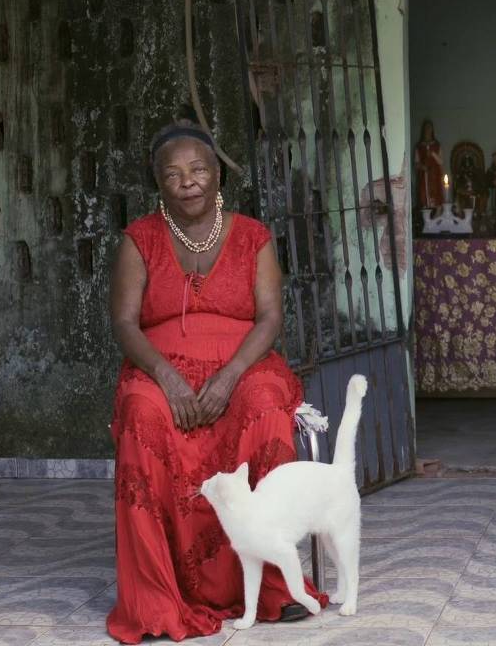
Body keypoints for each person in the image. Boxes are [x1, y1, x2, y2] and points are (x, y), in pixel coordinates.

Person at [107, 119, 327, 644]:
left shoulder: (253, 235)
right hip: (164, 372)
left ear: (217, 175)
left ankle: (277, 586)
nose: (188, 181)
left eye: (199, 169)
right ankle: (157, 599)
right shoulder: (139, 240)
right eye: (174, 173)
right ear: (158, 182)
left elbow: (271, 318)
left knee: (266, 405)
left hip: (242, 366)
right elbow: (123, 323)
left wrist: (230, 377)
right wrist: (166, 376)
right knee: (141, 413)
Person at [414, 119, 444, 210]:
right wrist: (422, 167)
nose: (428, 130)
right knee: (424, 197)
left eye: (429, 128)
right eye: (426, 128)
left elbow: (441, 162)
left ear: (432, 130)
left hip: (434, 176)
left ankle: (436, 217)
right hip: (424, 177)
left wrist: (433, 153)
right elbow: (416, 163)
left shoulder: (437, 145)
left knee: (436, 198)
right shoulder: (419, 146)